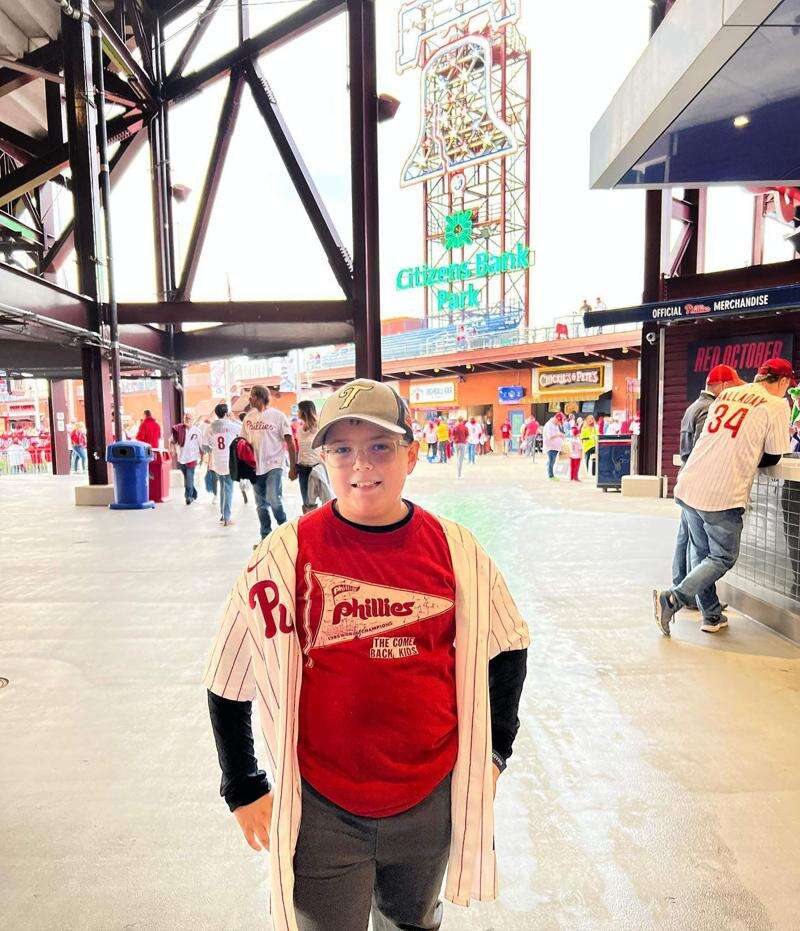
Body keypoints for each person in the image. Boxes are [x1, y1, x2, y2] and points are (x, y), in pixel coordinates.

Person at [203, 378, 530, 931]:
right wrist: (242, 783)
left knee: (413, 923)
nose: (362, 465)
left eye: (380, 446)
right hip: (321, 807)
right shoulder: (285, 556)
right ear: (321, 457)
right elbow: (228, 676)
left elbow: (507, 646)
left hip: (428, 797)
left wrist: (495, 752)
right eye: (342, 449)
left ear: (412, 454)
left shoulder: (456, 551)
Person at [654, 358, 793, 636]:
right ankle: (673, 599)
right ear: (784, 382)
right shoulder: (777, 404)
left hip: (690, 482)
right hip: (721, 492)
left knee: (702, 554)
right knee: (722, 557)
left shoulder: (729, 393)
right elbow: (775, 455)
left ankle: (712, 616)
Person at [671, 364, 742, 614]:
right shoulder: (710, 409)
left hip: (686, 482)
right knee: (700, 549)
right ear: (722, 386)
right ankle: (688, 595)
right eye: (732, 387)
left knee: (687, 540)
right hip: (699, 483)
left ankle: (687, 591)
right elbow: (707, 449)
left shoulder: (693, 406)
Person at [241, 385, 297, 543]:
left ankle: (284, 531)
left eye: (251, 396)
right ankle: (265, 537)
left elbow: (289, 441)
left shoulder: (278, 416)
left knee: (273, 499)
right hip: (255, 467)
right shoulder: (249, 418)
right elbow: (243, 442)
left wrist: (293, 467)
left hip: (275, 464)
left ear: (259, 397)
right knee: (260, 505)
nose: (249, 399)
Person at [295, 400, 332, 513]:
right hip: (303, 468)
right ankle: (311, 525)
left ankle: (327, 523)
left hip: (317, 467)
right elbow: (299, 450)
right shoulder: (300, 430)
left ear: (304, 411)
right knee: (307, 503)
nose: (297, 412)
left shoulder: (320, 428)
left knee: (326, 499)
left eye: (299, 410)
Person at [208, 403, 241, 526]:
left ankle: (222, 515)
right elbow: (243, 428)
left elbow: (207, 444)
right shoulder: (231, 425)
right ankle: (227, 517)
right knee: (228, 489)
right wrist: (233, 419)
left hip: (217, 462)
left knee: (222, 487)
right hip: (228, 462)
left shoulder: (211, 427)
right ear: (226, 413)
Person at [170, 412, 203, 505]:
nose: (188, 420)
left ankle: (188, 497)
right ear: (184, 419)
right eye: (186, 418)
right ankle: (194, 493)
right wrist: (172, 449)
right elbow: (172, 441)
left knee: (189, 478)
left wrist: (203, 457)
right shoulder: (179, 429)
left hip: (192, 458)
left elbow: (201, 446)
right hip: (181, 458)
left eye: (189, 418)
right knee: (188, 478)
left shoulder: (197, 431)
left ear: (193, 420)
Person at [542, 412, 565, 480]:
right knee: (551, 461)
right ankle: (550, 476)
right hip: (550, 447)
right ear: (556, 419)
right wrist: (559, 434)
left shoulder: (555, 424)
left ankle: (550, 474)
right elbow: (550, 436)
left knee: (552, 461)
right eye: (559, 421)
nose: (559, 423)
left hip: (555, 447)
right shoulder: (549, 425)